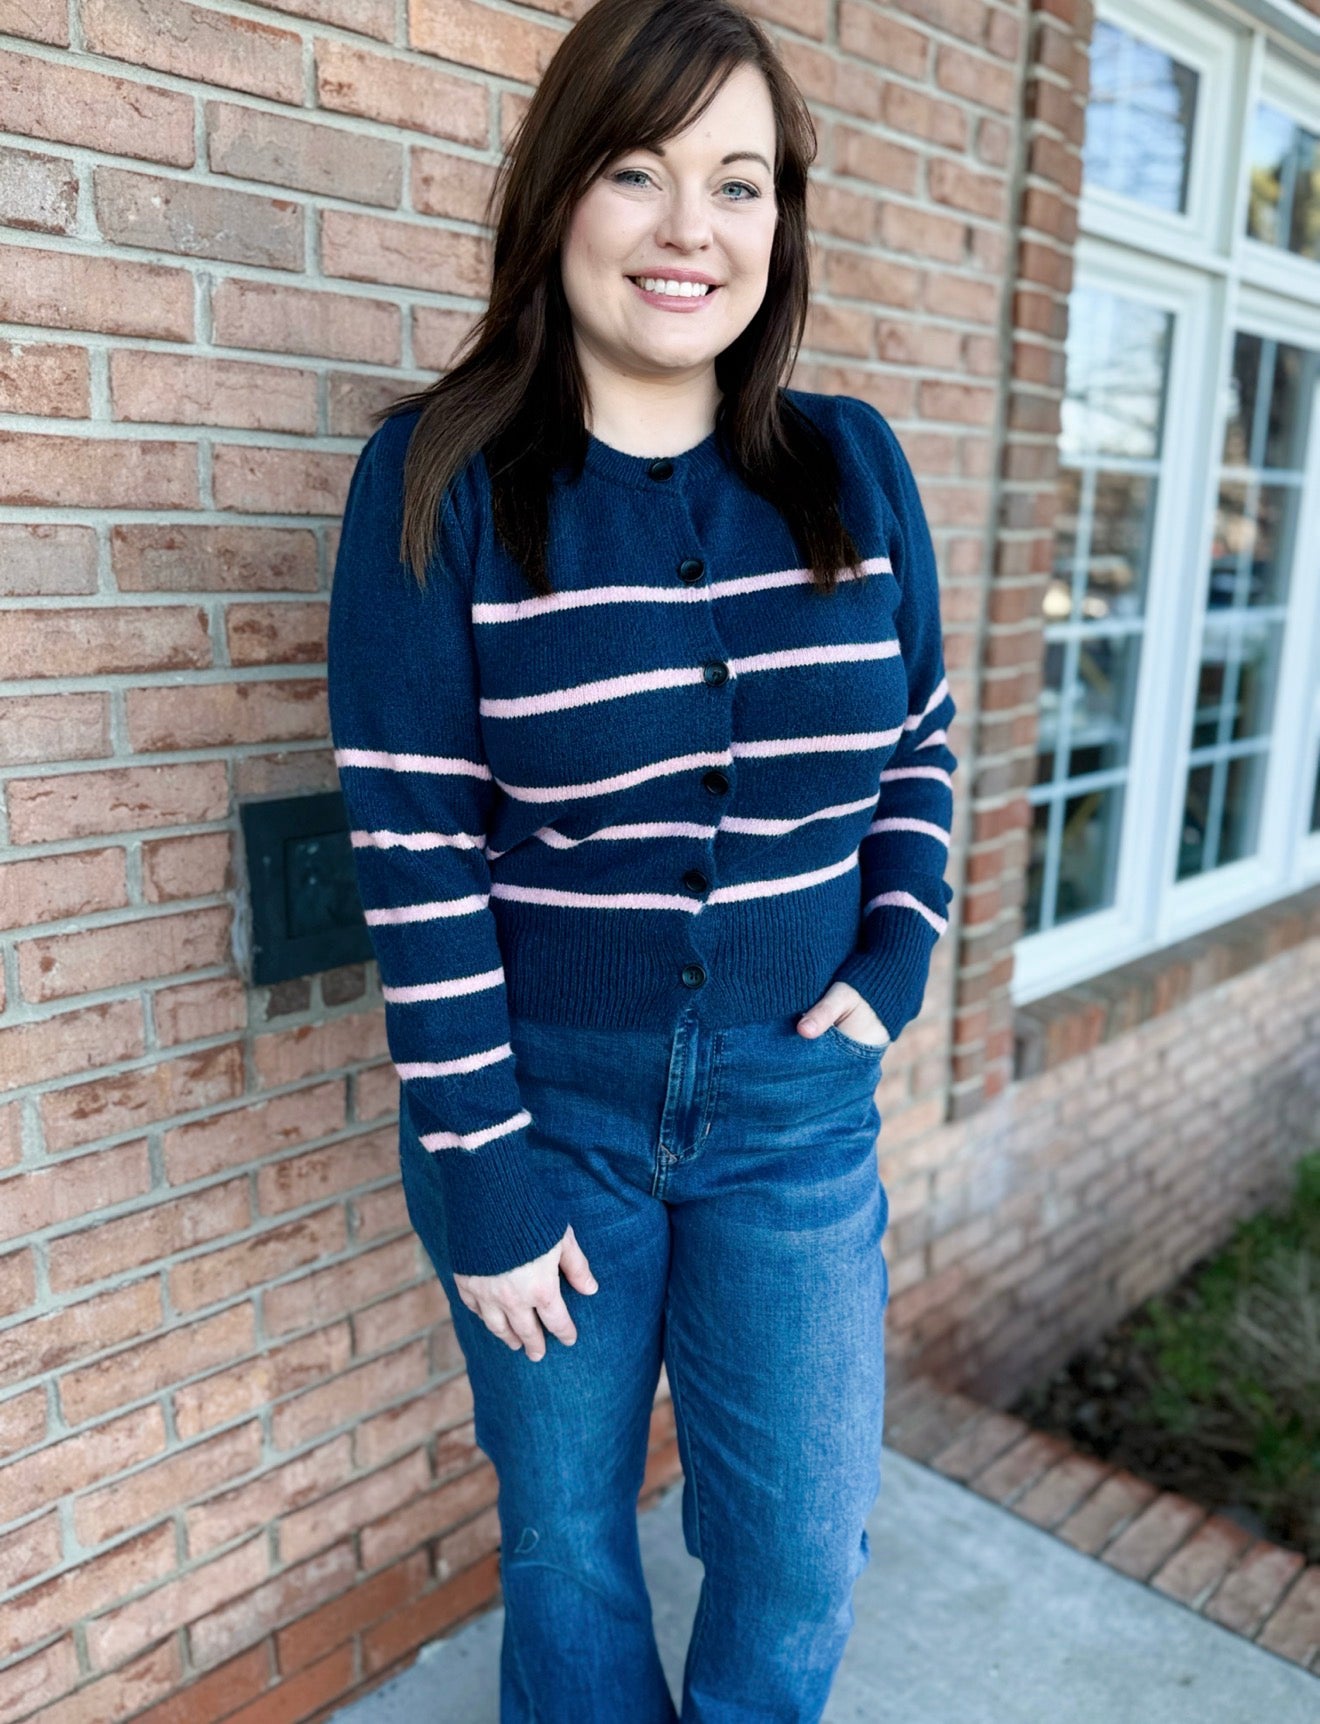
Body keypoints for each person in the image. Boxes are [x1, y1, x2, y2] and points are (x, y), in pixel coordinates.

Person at [326, 0, 958, 1716]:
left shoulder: (853, 469)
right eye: (639, 169)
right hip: (546, 1112)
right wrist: (492, 1174)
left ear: (781, 222)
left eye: (740, 184)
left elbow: (920, 744)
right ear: (558, 198)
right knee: (571, 1549)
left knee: (804, 1539)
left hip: (791, 1114)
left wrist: (891, 959)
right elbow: (415, 852)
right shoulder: (440, 483)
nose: (693, 229)